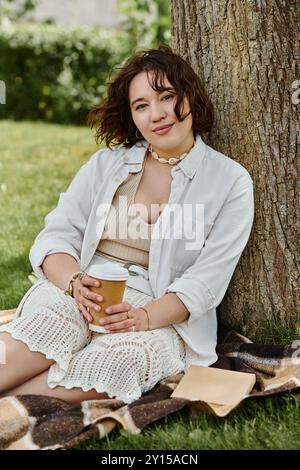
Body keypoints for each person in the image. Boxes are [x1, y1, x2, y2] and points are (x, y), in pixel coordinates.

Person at [0, 45, 254, 404]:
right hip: (83, 285)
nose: (157, 114)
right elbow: (57, 235)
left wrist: (144, 317)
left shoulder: (230, 180)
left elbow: (207, 280)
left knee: (121, 361)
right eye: (141, 106)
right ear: (132, 117)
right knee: (52, 326)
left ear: (190, 96)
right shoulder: (106, 165)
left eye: (166, 96)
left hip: (158, 311)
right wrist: (75, 284)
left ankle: (7, 410)